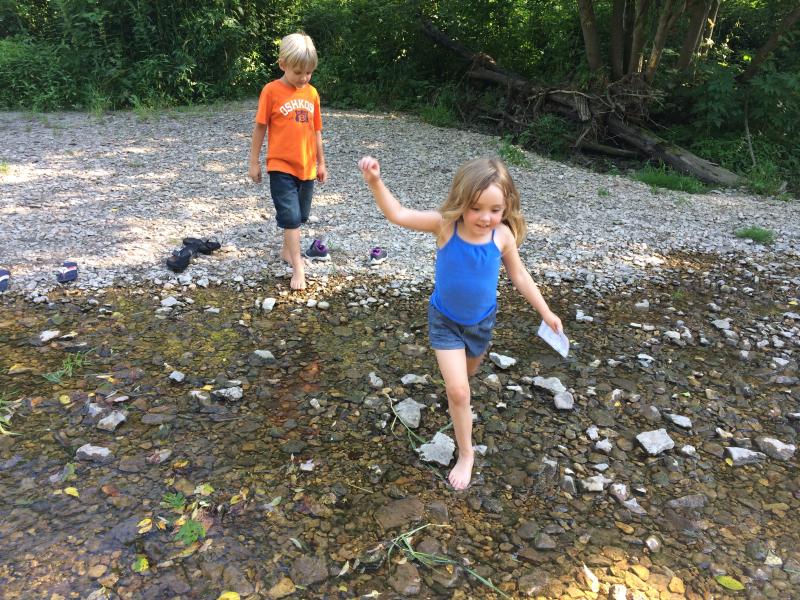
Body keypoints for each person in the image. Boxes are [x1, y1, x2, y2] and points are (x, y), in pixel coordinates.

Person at [358, 155, 563, 490]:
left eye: (495, 210)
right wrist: (375, 182)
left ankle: (458, 405)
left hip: (481, 323)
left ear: (506, 207)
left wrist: (546, 312)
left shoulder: (502, 236)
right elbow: (398, 214)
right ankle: (466, 454)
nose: (485, 217)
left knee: (465, 381)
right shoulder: (445, 226)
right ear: (462, 201)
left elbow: (520, 276)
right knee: (458, 390)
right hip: (445, 321)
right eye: (476, 208)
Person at [248, 32, 328, 290]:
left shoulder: (312, 93)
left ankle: (286, 250)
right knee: (291, 217)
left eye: (309, 73)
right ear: (282, 64)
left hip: (307, 167)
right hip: (280, 166)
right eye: (298, 72)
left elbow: (316, 130)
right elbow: (260, 127)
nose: (304, 78)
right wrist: (254, 162)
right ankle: (298, 266)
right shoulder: (271, 91)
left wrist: (321, 163)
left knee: (301, 215)